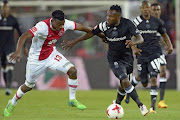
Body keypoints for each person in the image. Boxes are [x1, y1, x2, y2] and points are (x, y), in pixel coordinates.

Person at [3, 9, 104, 117]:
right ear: (52, 21)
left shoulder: (65, 24)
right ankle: (12, 103)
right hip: (36, 59)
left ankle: (72, 99)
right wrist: (18, 51)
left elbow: (85, 28)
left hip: (51, 54)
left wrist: (100, 35)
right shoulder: (42, 26)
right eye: (59, 25)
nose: (61, 27)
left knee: (72, 70)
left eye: (63, 24)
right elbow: (24, 36)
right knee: (28, 86)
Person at [62, 5, 149, 116]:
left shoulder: (128, 24)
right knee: (125, 80)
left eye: (111, 16)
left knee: (124, 85)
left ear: (118, 17)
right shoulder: (104, 25)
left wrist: (133, 43)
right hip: (114, 59)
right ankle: (141, 105)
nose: (108, 18)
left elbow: (140, 38)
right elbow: (91, 32)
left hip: (127, 59)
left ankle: (117, 103)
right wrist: (75, 41)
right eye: (107, 15)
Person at [125, 0, 173, 113]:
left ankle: (153, 106)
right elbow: (130, 36)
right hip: (142, 55)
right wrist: (134, 48)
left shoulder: (157, 21)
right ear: (141, 9)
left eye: (148, 8)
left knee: (154, 76)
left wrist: (169, 46)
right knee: (143, 81)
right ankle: (128, 93)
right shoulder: (136, 22)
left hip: (155, 54)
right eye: (144, 8)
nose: (146, 9)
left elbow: (164, 34)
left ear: (149, 9)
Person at [0, 0, 27, 95]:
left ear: (9, 8)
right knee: (4, 67)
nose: (5, 9)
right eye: (3, 7)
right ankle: (7, 86)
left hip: (10, 47)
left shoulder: (13, 20)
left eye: (6, 7)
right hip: (1, 48)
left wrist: (24, 47)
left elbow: (21, 34)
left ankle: (8, 88)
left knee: (10, 66)